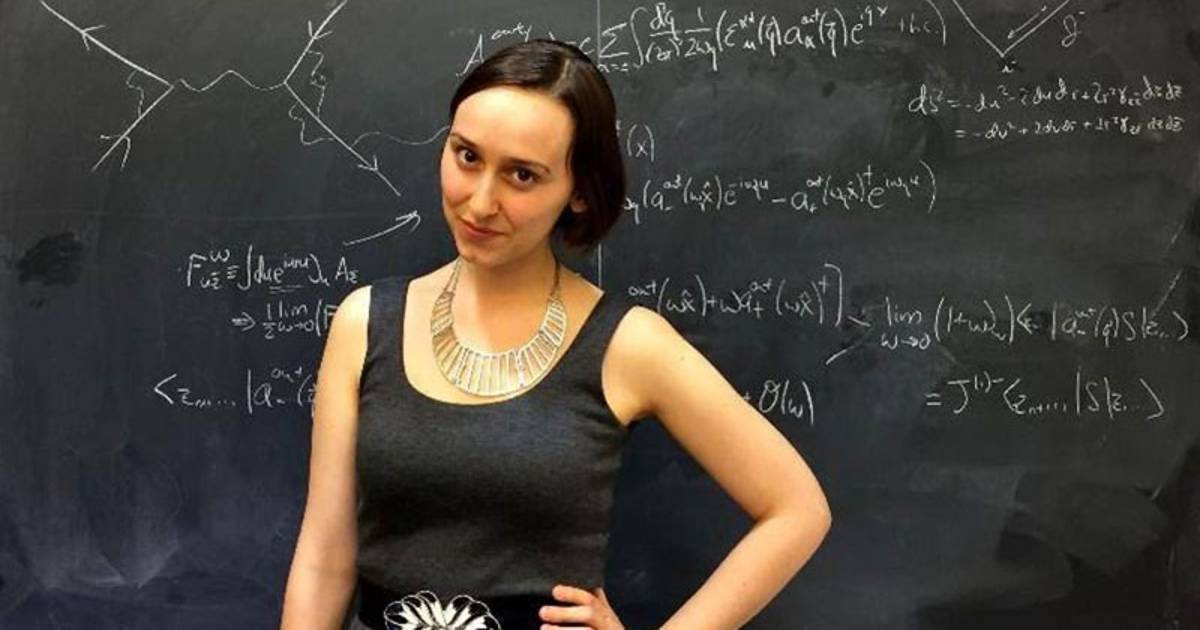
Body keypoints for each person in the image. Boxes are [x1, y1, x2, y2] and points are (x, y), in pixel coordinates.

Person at [280, 39, 831, 630]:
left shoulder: (627, 345)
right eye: (467, 156)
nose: (480, 202)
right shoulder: (365, 324)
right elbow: (325, 558)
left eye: (522, 175)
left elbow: (796, 508)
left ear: (578, 191)